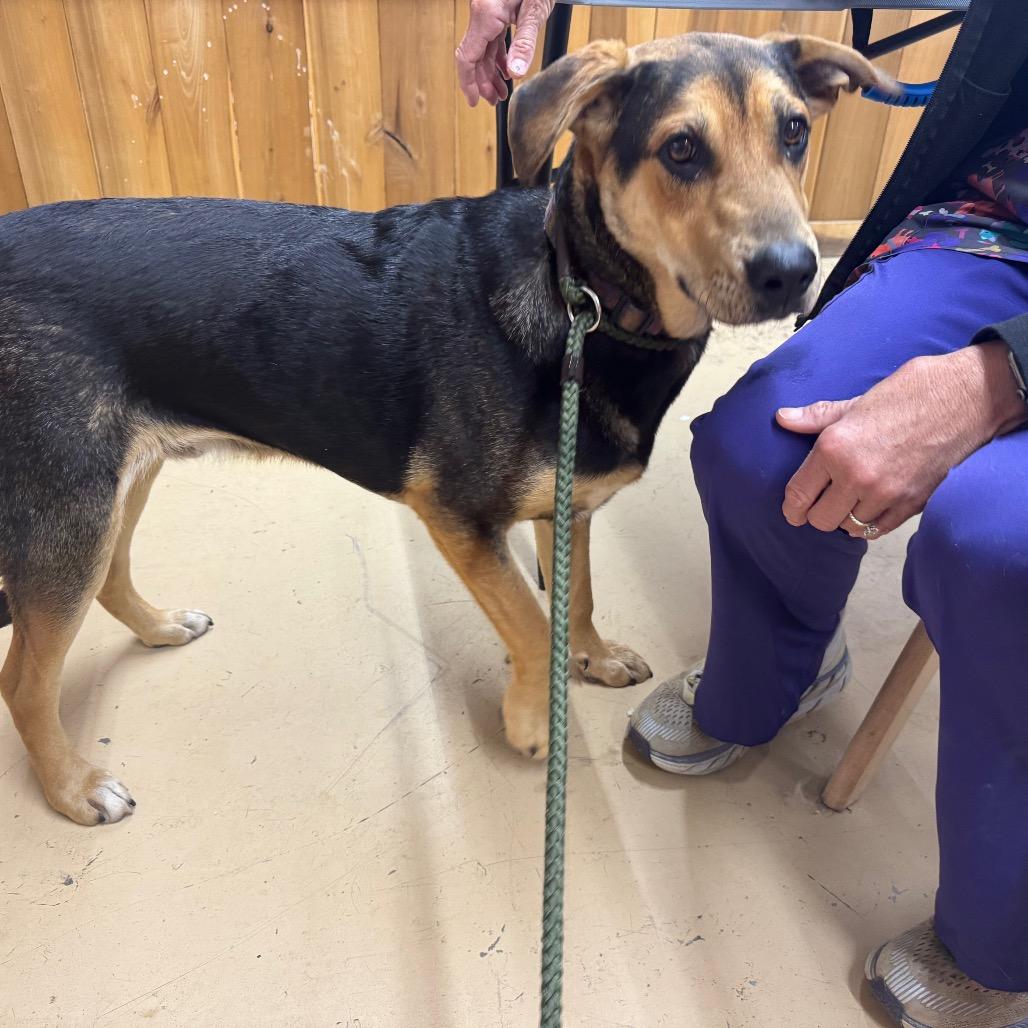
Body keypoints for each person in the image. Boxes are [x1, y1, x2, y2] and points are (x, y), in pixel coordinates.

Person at [458, 1, 1028, 1025]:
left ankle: (995, 949)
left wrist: (1004, 371)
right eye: (688, 152)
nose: (776, 233)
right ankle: (785, 662)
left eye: (788, 138)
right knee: (751, 448)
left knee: (992, 545)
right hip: (992, 227)